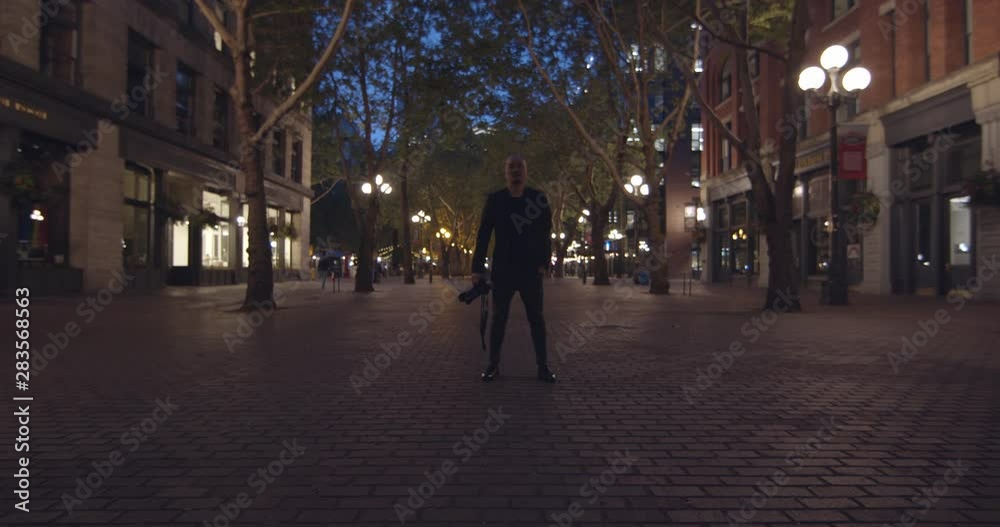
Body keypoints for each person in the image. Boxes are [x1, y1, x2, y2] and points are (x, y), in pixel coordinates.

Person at [471, 154, 556, 383]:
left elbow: (545, 234)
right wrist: (477, 268)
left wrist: (544, 263)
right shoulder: (495, 199)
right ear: (506, 171)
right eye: (511, 167)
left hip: (530, 270)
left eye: (519, 167)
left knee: (536, 319)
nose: (516, 170)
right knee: (498, 319)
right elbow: (483, 235)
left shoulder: (537, 199)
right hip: (503, 269)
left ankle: (543, 367)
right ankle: (493, 365)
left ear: (526, 172)